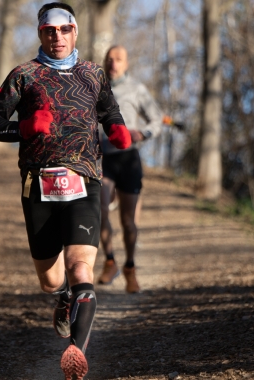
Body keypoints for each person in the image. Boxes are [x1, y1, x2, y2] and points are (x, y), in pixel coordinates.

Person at [0, 3, 131, 379]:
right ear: (40, 34)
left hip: (85, 181)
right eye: (49, 31)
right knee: (50, 280)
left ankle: (75, 352)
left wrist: (117, 129)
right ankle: (63, 296)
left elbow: (110, 111)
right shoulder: (24, 75)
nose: (57, 37)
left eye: (64, 30)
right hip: (38, 184)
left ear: (75, 31)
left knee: (83, 269)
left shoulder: (93, 74)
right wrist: (24, 128)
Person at [96, 45, 165, 293]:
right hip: (103, 158)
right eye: (109, 59)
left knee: (128, 222)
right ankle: (110, 261)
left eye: (119, 59)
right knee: (100, 208)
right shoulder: (96, 87)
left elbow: (157, 119)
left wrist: (142, 133)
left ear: (127, 64)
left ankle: (130, 268)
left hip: (128, 159)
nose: (113, 63)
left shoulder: (137, 89)